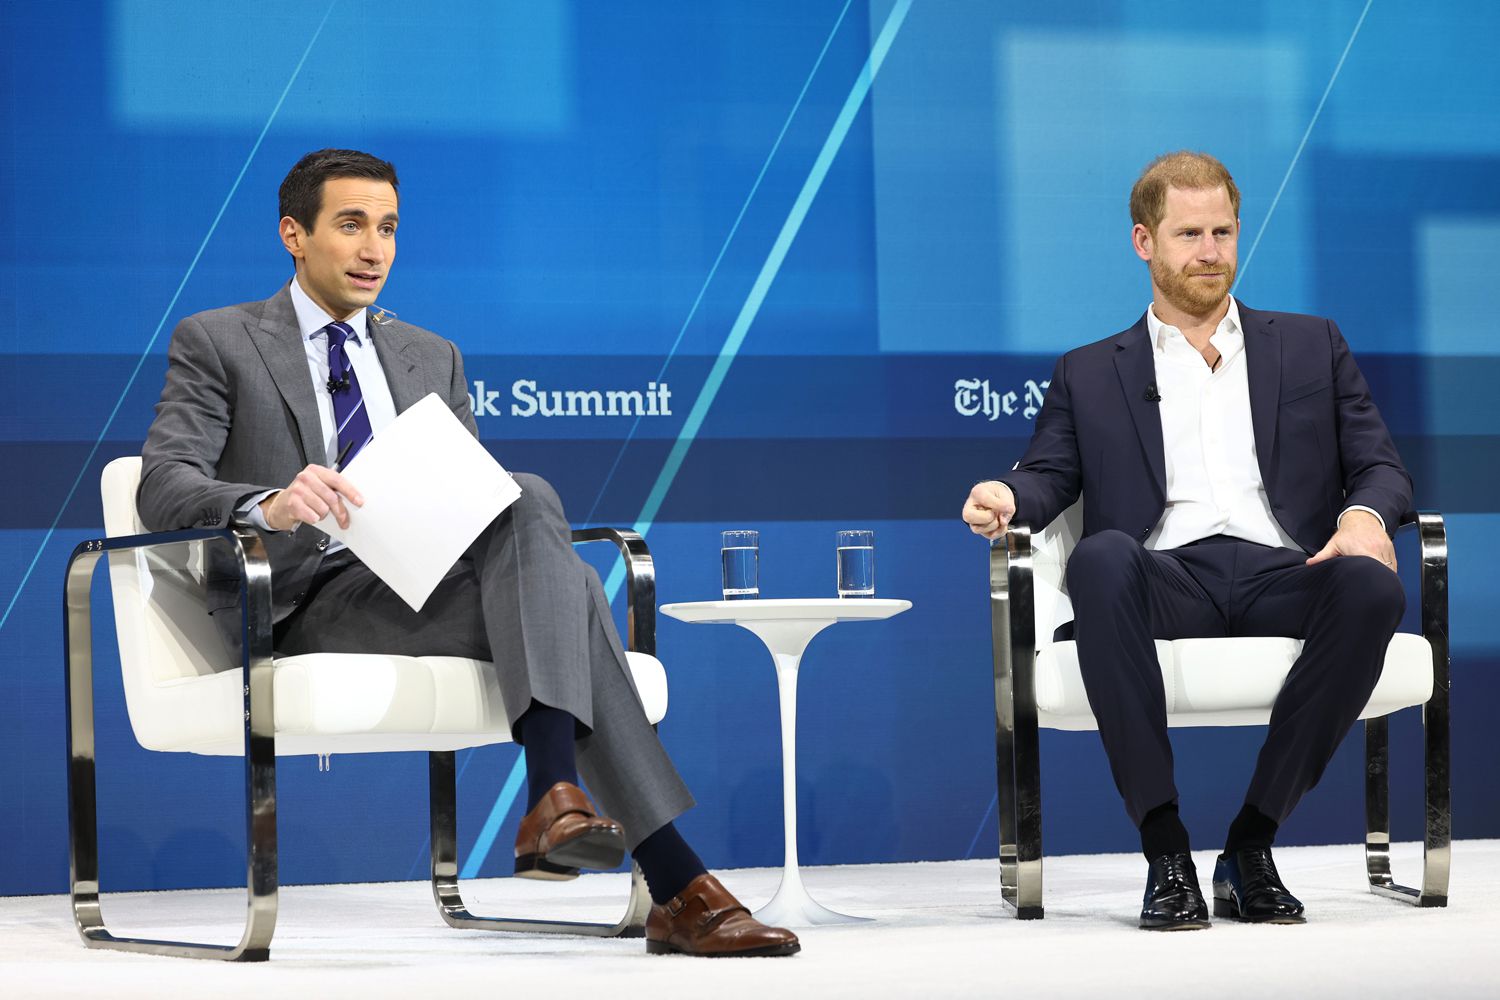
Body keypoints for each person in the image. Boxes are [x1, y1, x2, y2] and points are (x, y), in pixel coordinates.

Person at [138, 148, 798, 958]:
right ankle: (664, 874)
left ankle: (566, 804)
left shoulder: (430, 354)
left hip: (417, 586)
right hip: (301, 598)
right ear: (293, 234)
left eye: (387, 228)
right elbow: (162, 485)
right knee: (578, 595)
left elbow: (472, 506)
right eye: (350, 225)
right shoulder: (220, 339)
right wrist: (265, 503)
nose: (373, 248)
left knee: (525, 499)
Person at [961, 151, 1411, 931]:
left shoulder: (1311, 345)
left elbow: (1379, 465)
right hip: (1164, 576)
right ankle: (1164, 848)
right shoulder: (1091, 371)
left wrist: (1362, 518)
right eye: (1189, 234)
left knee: (1373, 585)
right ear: (1145, 242)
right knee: (1100, 557)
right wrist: (1007, 495)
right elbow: (1048, 476)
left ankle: (1251, 843)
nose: (1210, 251)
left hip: (1287, 569)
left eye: (1224, 231)